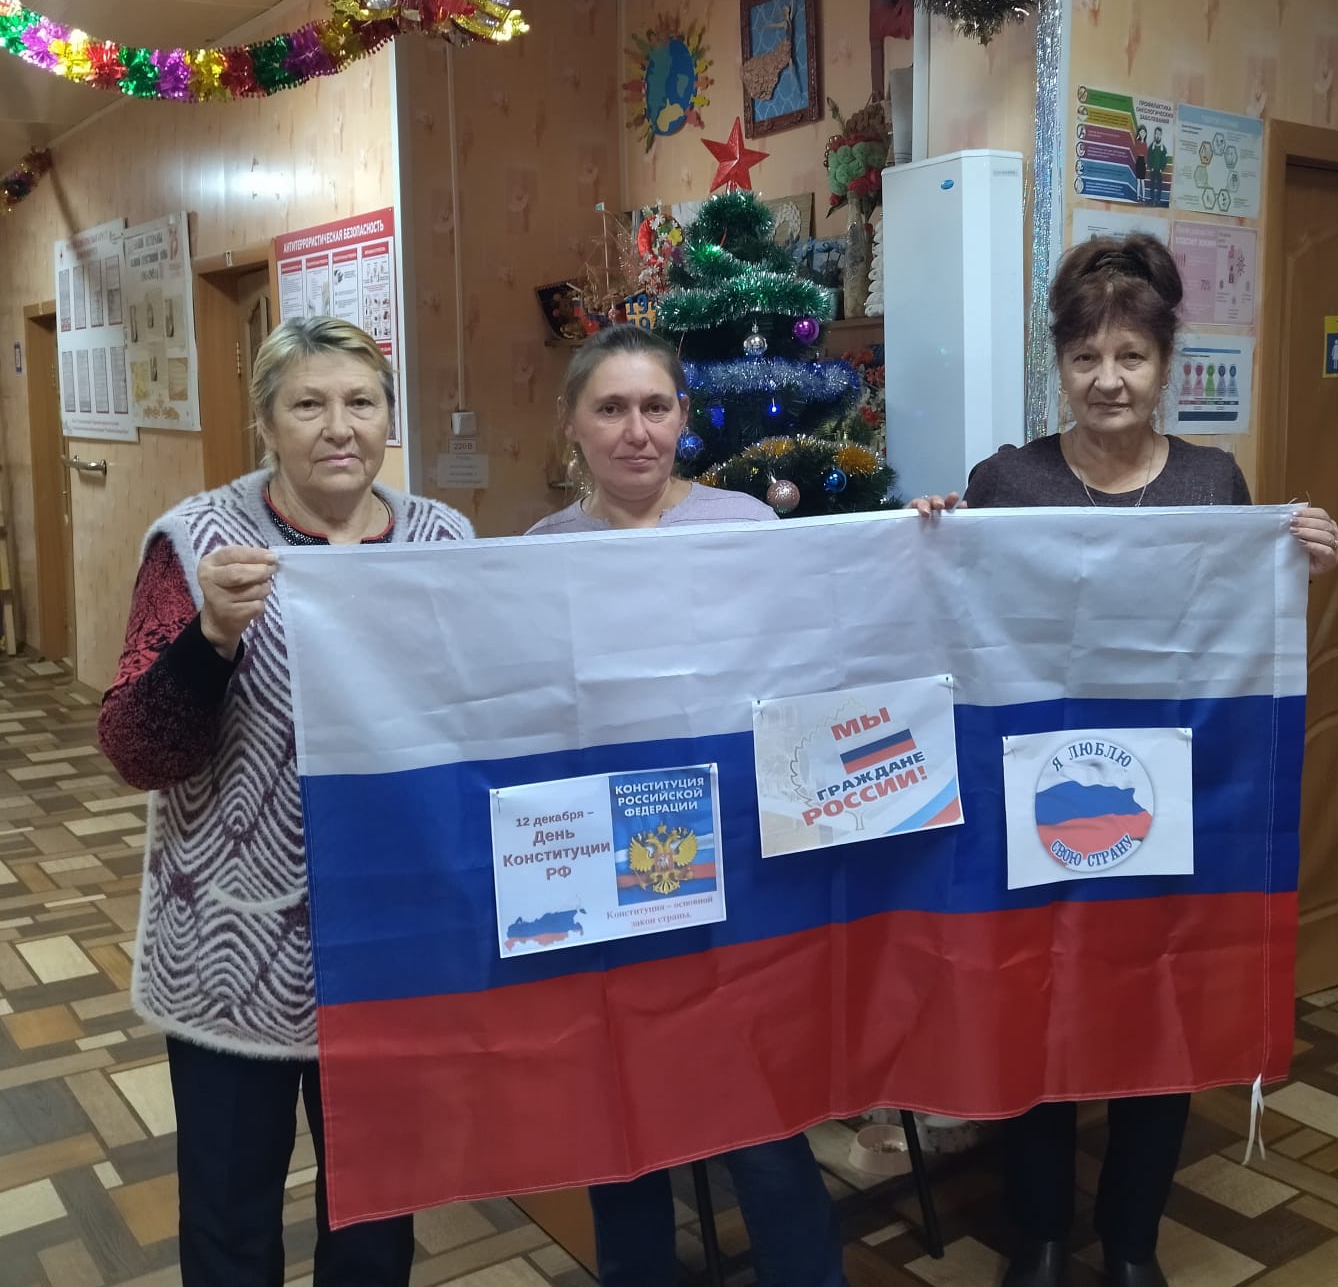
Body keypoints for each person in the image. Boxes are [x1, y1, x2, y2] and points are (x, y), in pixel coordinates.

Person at [912, 235, 1338, 1287]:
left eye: (1132, 357)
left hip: (1171, 801)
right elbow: (961, 628)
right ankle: (1041, 1235)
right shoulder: (1007, 481)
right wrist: (932, 541)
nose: (1109, 379)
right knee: (1036, 1005)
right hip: (1035, 801)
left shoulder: (1211, 481)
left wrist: (1300, 561)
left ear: (1165, 366)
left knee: (1159, 1006)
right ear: (1059, 366)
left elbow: (1238, 637)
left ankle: (1134, 1239)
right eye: (1086, 357)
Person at [98, 316, 473, 1287]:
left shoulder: (442, 542)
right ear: (266, 422)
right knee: (231, 1219)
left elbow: (477, 719)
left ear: (389, 416)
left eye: (361, 402)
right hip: (235, 947)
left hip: (388, 942)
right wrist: (210, 639)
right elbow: (136, 749)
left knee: (375, 1218)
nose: (338, 427)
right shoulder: (199, 544)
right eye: (308, 404)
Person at [527, 323, 847, 1287]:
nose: (636, 431)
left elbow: (815, 659)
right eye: (610, 409)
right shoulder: (539, 554)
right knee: (620, 1119)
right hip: (608, 878)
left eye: (655, 407)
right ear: (572, 424)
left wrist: (924, 538)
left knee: (758, 1117)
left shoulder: (744, 525)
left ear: (684, 417)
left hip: (739, 869)